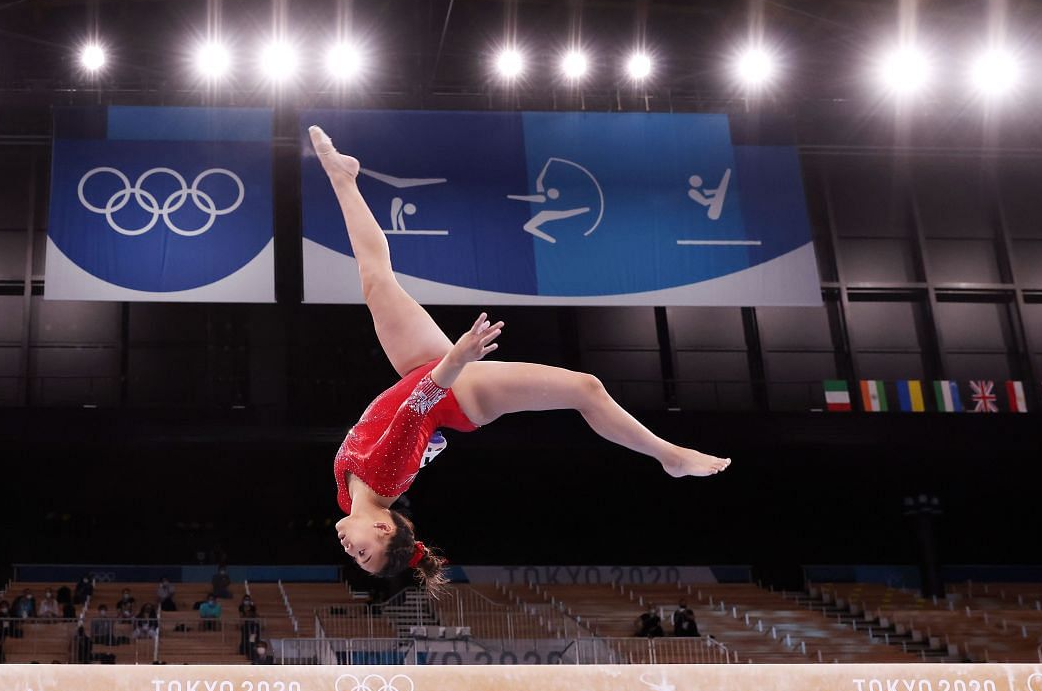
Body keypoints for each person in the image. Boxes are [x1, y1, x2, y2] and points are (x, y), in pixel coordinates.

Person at [310, 124, 729, 589]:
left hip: (422, 373)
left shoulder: (349, 503)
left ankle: (343, 176)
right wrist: (461, 358)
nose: (352, 551)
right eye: (365, 553)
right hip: (452, 393)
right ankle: (669, 455)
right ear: (385, 528)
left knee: (377, 281)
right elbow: (417, 408)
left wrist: (433, 421)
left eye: (356, 559)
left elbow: (409, 422)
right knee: (586, 388)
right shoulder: (385, 479)